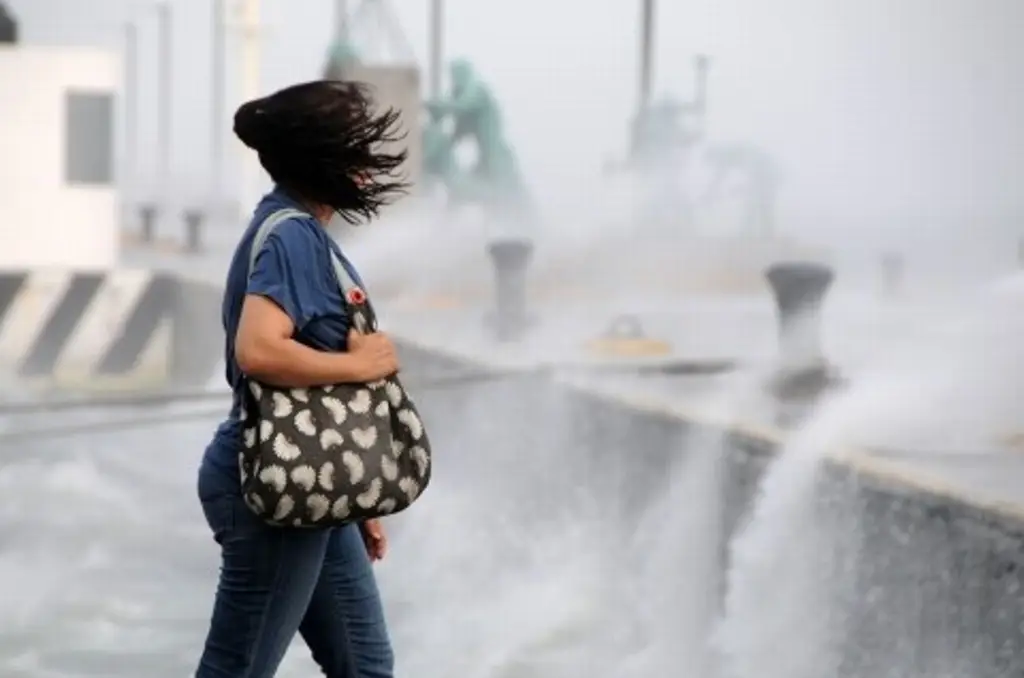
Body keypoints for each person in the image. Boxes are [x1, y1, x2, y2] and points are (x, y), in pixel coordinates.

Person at [195, 80, 409, 678]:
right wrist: (362, 364)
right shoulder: (292, 235)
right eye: (356, 148)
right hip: (273, 487)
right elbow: (259, 349)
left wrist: (354, 488)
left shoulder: (293, 229)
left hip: (313, 481)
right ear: (323, 159)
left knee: (366, 666)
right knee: (237, 669)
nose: (368, 164)